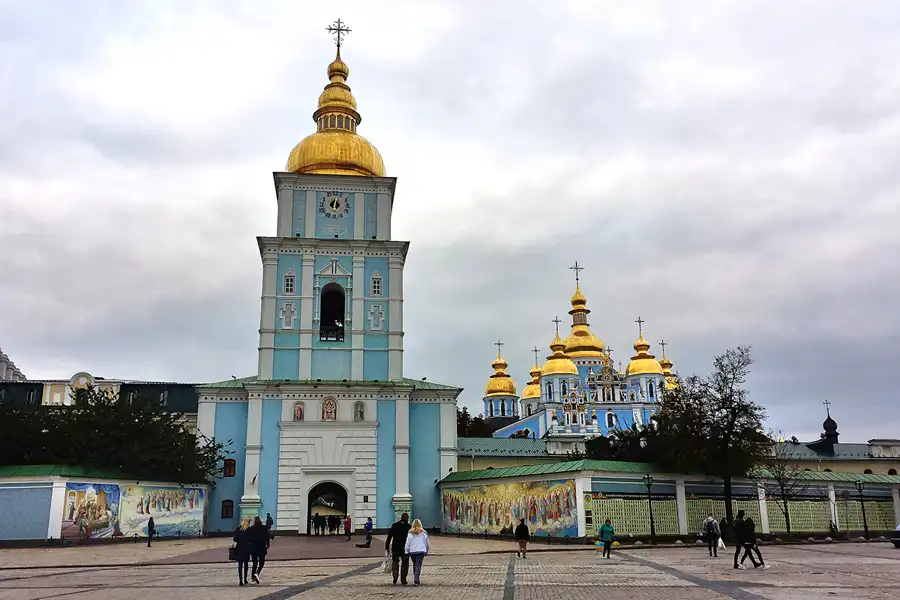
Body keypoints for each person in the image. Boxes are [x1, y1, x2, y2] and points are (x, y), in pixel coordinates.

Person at [385, 512, 412, 585]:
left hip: (395, 547)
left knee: (395, 562)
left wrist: (387, 547)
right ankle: (403, 579)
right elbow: (411, 539)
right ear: (407, 518)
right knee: (405, 564)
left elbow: (389, 536)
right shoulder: (409, 526)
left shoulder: (395, 525)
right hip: (405, 548)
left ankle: (395, 577)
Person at [404, 518, 430, 585]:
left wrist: (406, 551)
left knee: (415, 564)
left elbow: (407, 543)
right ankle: (416, 579)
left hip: (412, 551)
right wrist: (427, 550)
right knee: (418, 565)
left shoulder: (410, 533)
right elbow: (427, 543)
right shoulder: (424, 533)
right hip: (421, 551)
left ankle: (415, 578)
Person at [249, 516, 270, 584]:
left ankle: (253, 577)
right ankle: (257, 573)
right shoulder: (264, 528)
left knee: (255, 562)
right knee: (262, 562)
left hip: (253, 547)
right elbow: (267, 537)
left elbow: (249, 539)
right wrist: (268, 544)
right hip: (261, 547)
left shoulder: (251, 529)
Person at [233, 518, 251, 586]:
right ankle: (245, 579)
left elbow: (235, 539)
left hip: (239, 548)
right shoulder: (248, 530)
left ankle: (240, 580)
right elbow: (250, 539)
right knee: (246, 564)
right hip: (247, 549)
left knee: (240, 565)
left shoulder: (238, 529)